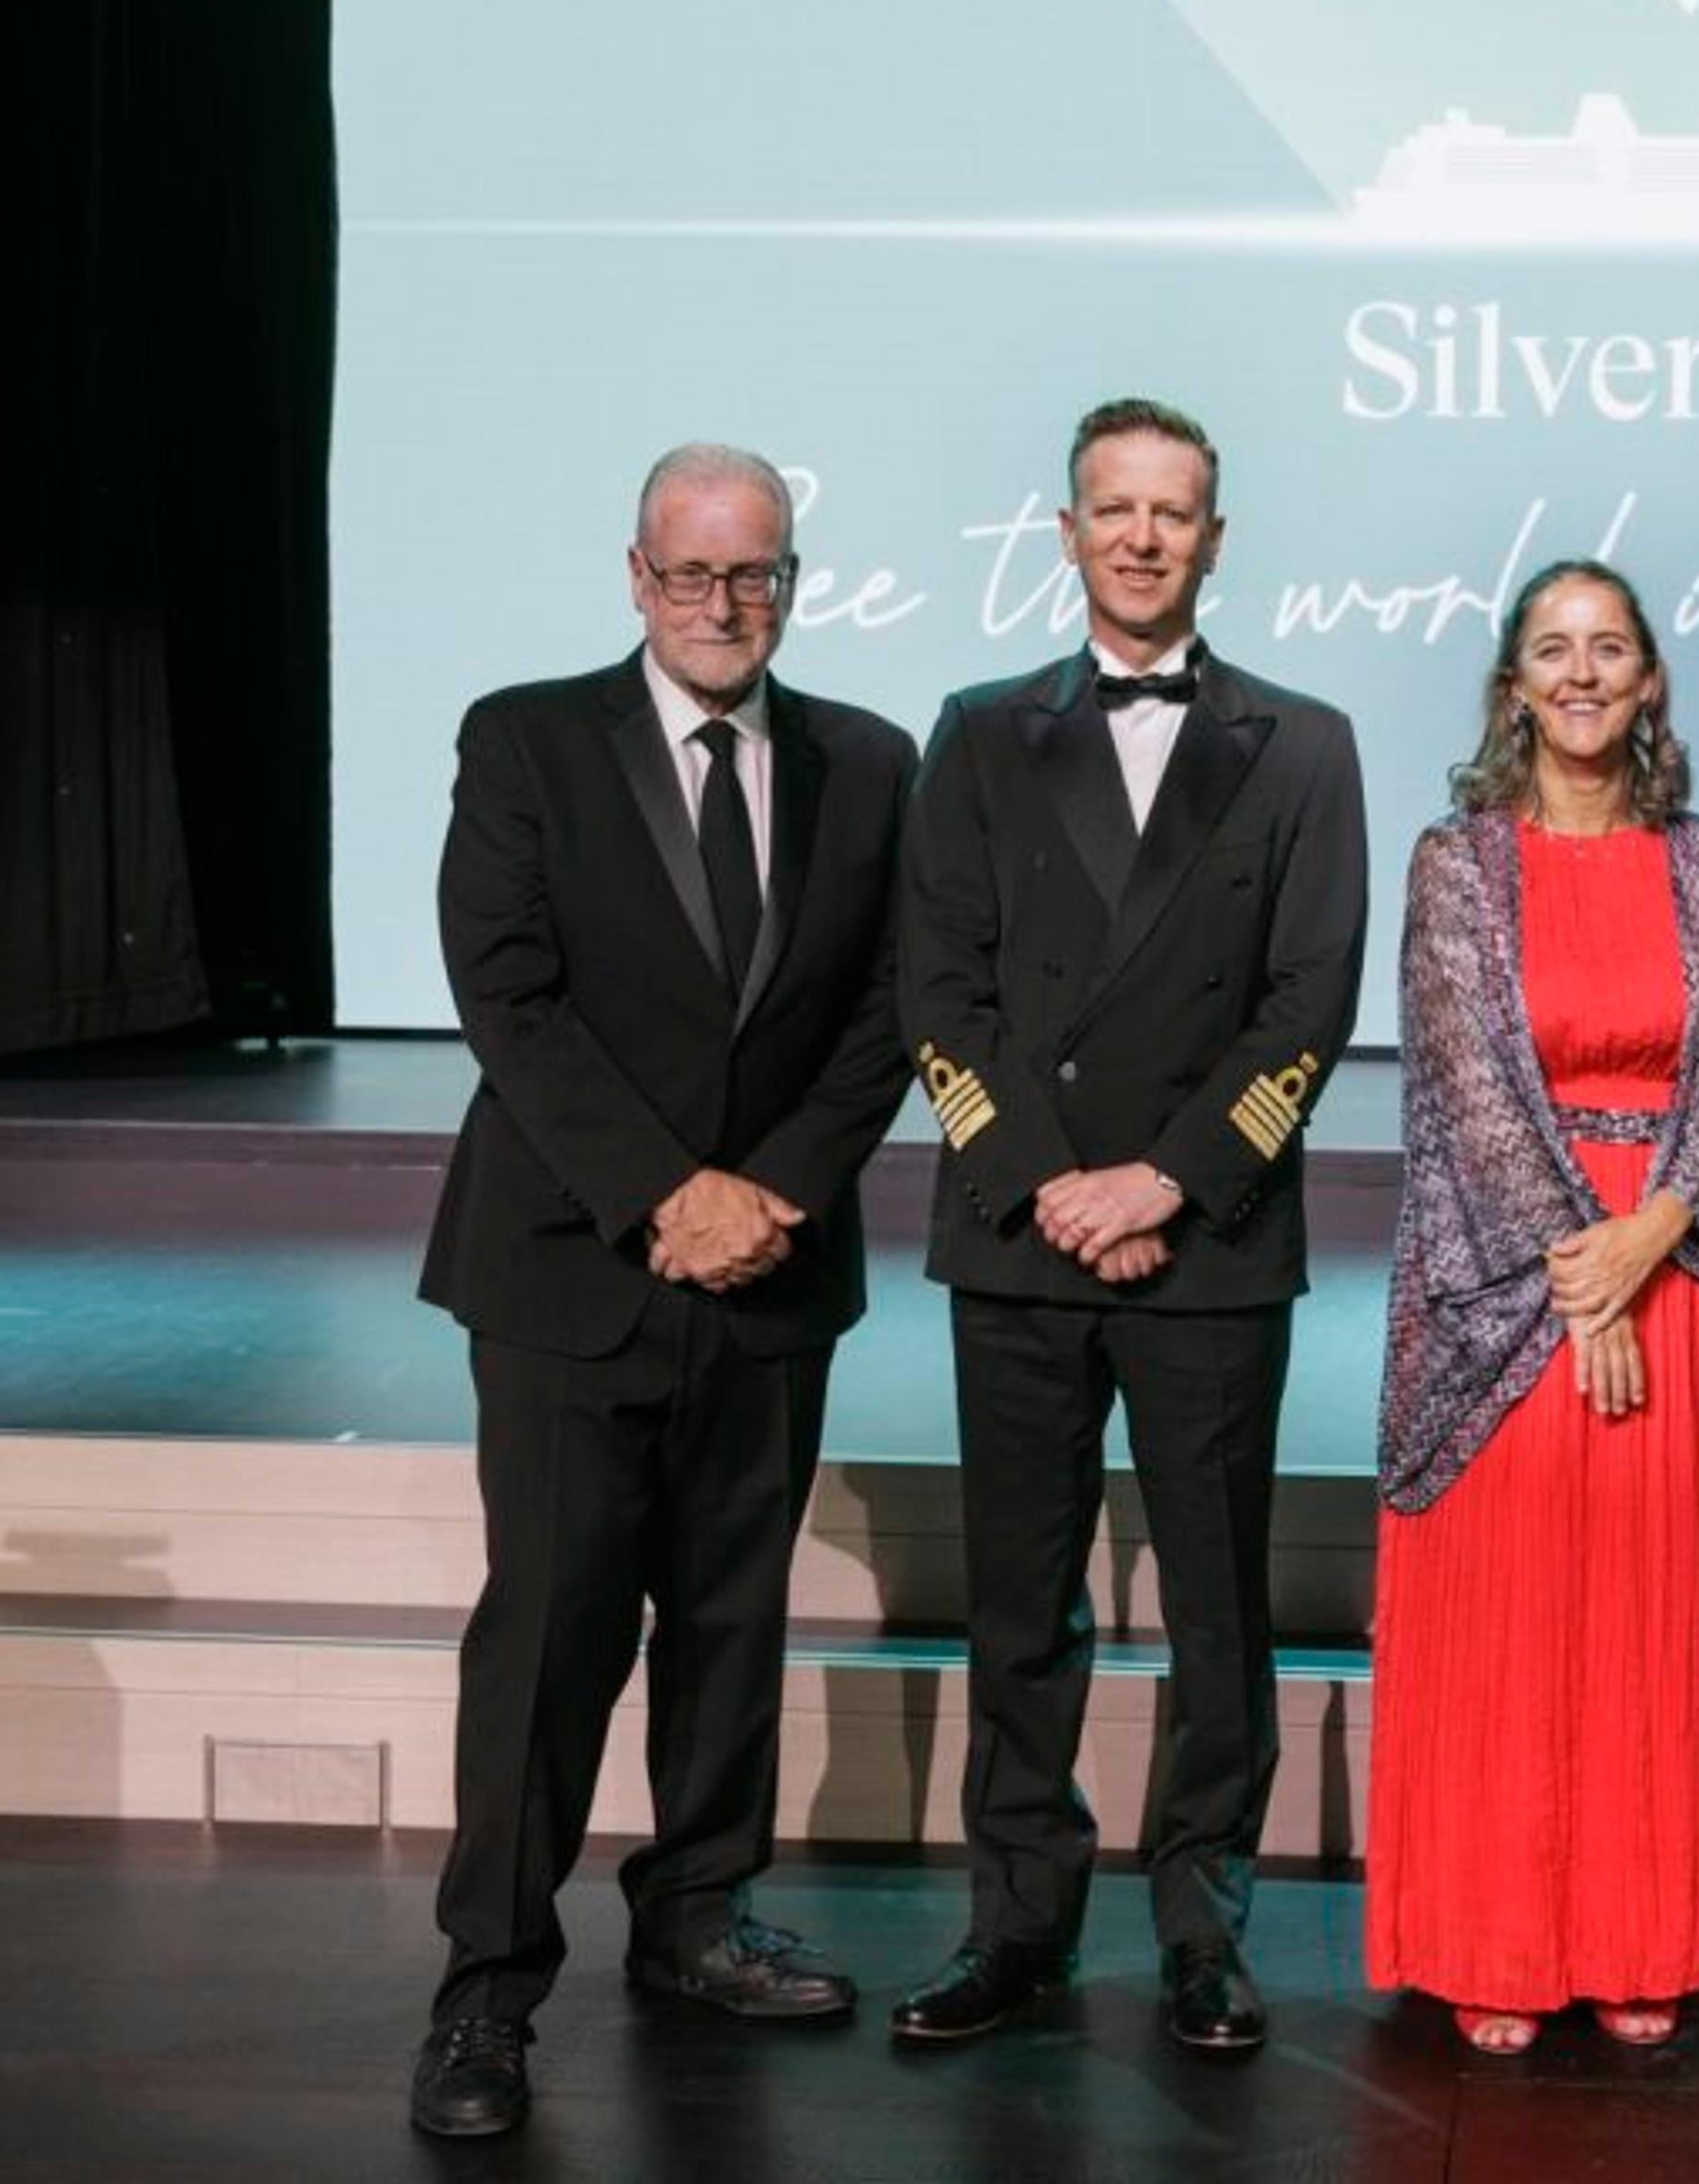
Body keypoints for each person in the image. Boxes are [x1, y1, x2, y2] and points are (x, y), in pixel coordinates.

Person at [409, 443, 917, 2137]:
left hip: (770, 1274)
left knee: (728, 1626)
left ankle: (697, 1918)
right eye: (692, 574)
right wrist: (661, 1195)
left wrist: (764, 1192)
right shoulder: (528, 738)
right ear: (636, 575)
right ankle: (487, 1994)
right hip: (569, 1274)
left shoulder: (869, 760)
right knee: (547, 1642)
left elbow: (881, 1020)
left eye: (754, 573)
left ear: (793, 578)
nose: (723, 604)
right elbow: (506, 990)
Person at [889, 397, 1366, 2056]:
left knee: (1218, 1610)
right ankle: (1016, 1924)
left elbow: (1309, 1001)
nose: (1145, 536)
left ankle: (1201, 1929)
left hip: (1207, 1239)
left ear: (1215, 540)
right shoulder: (975, 728)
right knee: (1024, 1605)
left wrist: (1169, 1177)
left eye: (1175, 512)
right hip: (1020, 1237)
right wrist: (1045, 1179)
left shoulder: (1302, 743)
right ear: (1071, 530)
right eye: (1115, 509)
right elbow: (933, 990)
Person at [1366, 559, 1699, 2055]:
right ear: (1514, 686)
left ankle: (1637, 1936)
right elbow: (1469, 1086)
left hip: (1676, 1290)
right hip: (1511, 1305)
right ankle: (1492, 1935)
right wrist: (1581, 1273)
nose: (1584, 672)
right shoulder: (1453, 862)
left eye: (1611, 647)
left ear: (1652, 678)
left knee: (1646, 1632)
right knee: (1515, 1622)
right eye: (1554, 649)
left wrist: (1652, 1238)